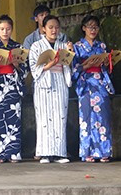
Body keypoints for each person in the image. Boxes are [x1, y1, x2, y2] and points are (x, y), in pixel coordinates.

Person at [0, 15, 28, 163]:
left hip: (12, 84)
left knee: (13, 118)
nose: (5, 32)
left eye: (8, 29)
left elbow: (25, 70)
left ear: (12, 30)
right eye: (2, 29)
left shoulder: (18, 47)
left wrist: (16, 65)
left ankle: (13, 152)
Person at [29, 15, 73, 164]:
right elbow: (34, 69)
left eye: (56, 27)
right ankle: (45, 153)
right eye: (50, 27)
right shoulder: (36, 46)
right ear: (43, 29)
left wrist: (70, 53)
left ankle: (60, 153)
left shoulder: (63, 45)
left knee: (60, 117)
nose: (54, 30)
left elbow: (68, 65)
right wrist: (49, 64)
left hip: (60, 80)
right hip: (44, 84)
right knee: (44, 119)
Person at [72, 16, 114, 163]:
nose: (93, 30)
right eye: (90, 26)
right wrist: (85, 66)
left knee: (103, 117)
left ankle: (104, 151)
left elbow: (107, 68)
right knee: (86, 118)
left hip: (100, 83)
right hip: (85, 84)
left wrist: (107, 63)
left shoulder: (101, 46)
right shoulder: (77, 46)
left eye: (96, 27)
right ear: (83, 28)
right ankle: (87, 152)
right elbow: (73, 68)